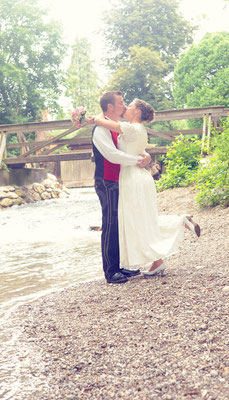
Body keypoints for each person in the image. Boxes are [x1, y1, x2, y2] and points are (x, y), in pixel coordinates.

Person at [91, 98, 201, 277]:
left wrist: (90, 118)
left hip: (132, 178)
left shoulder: (129, 127)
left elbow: (113, 144)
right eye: (121, 103)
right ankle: (174, 231)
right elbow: (131, 149)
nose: (126, 106)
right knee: (142, 219)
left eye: (129, 105)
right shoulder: (133, 128)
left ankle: (156, 253)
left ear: (138, 112)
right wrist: (144, 157)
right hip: (137, 177)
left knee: (136, 222)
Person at [91, 91, 151, 284]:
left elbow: (131, 144)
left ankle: (121, 265)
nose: (124, 106)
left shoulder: (117, 127)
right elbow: (112, 155)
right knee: (110, 224)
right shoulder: (101, 130)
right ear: (110, 107)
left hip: (121, 180)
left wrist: (145, 155)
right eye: (120, 103)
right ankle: (110, 271)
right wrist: (137, 161)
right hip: (106, 181)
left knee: (122, 221)